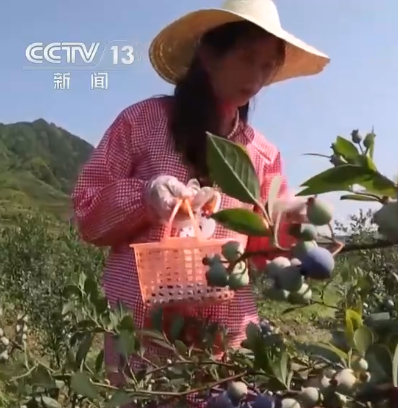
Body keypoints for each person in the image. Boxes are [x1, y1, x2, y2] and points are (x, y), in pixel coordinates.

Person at [71, 0, 329, 403]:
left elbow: (262, 250)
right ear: (208, 55)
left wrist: (290, 224)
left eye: (267, 66)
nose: (257, 78)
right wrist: (144, 195)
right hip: (142, 341)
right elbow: (87, 212)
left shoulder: (261, 155)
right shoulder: (143, 123)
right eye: (246, 59)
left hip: (224, 343)